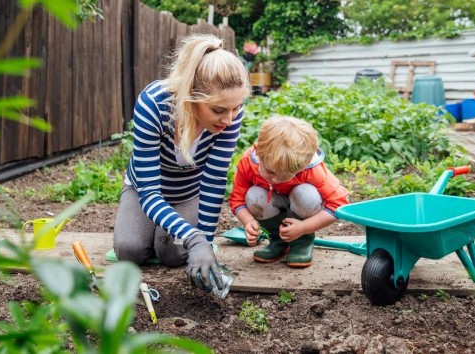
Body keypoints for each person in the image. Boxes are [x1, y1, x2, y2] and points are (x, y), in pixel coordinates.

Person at [113, 34, 250, 292]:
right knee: (129, 250)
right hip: (145, 190)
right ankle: (149, 227)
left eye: (235, 108)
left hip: (188, 192)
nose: (229, 120)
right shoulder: (153, 104)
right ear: (191, 97)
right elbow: (150, 193)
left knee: (173, 253)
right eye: (218, 110)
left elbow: (213, 182)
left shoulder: (230, 112)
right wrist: (193, 237)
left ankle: (165, 232)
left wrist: (205, 244)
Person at [229, 116, 349, 267]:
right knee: (253, 195)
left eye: (287, 175)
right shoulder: (248, 162)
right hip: (273, 204)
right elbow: (237, 199)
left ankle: (302, 242)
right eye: (271, 172)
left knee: (306, 194)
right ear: (258, 152)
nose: (277, 180)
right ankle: (278, 240)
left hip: (301, 208)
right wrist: (248, 222)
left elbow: (339, 204)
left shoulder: (312, 169)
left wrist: (303, 228)